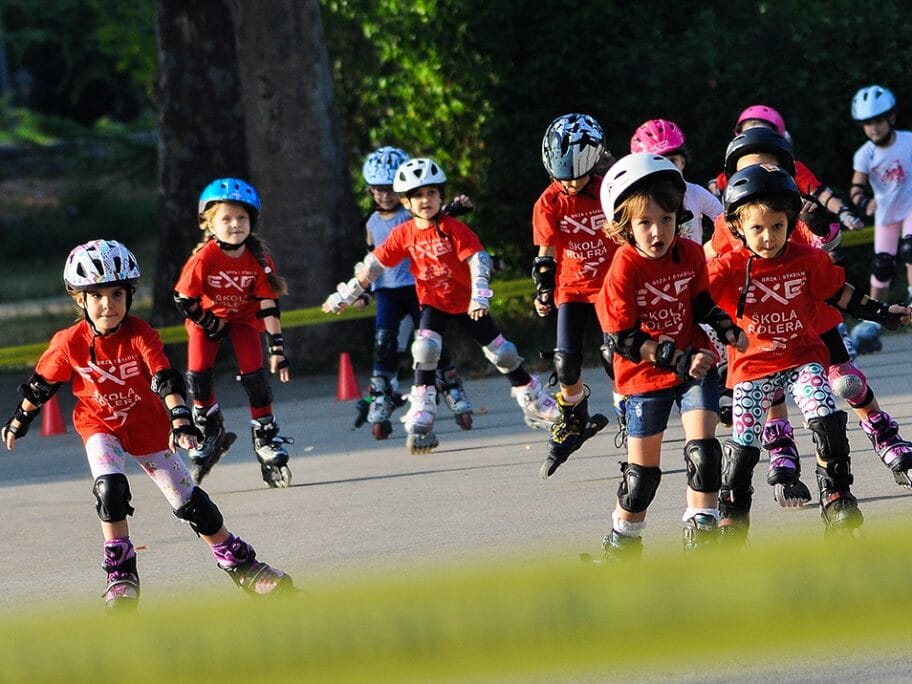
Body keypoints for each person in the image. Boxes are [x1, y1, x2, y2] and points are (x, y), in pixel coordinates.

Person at [1, 240, 295, 610]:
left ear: (129, 296)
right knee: (110, 489)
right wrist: (20, 419)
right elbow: (42, 384)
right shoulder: (69, 343)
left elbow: (164, 378)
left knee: (189, 503)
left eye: (117, 294)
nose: (108, 305)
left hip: (148, 427)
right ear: (80, 300)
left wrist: (180, 418)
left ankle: (241, 563)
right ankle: (120, 574)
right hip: (99, 424)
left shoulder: (140, 334)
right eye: (97, 296)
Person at [708, 164, 910, 541]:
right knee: (745, 445)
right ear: (738, 227)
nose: (768, 237)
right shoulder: (728, 268)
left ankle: (837, 497)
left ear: (789, 223)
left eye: (777, 227)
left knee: (826, 420)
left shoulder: (805, 259)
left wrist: (883, 313)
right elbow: (695, 301)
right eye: (757, 228)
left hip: (802, 358)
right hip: (752, 367)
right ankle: (731, 519)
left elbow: (842, 294)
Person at [323, 157, 559, 454]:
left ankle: (533, 399)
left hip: (466, 301)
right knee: (425, 348)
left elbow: (478, 260)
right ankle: (422, 410)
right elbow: (373, 266)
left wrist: (480, 295)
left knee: (504, 353)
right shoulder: (404, 233)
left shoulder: (452, 228)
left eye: (432, 193)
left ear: (441, 197)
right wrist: (346, 295)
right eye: (418, 195)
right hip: (433, 302)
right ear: (406, 202)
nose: (426, 200)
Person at [590, 153, 747, 562]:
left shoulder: (691, 254)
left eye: (666, 219)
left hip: (693, 362)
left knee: (705, 451)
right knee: (641, 477)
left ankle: (702, 527)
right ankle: (622, 542)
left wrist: (728, 328)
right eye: (645, 222)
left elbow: (700, 303)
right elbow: (623, 339)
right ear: (625, 225)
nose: (657, 232)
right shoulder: (622, 271)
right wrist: (676, 359)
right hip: (643, 376)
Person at [173, 178, 293, 488]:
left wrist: (277, 349)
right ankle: (209, 428)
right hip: (207, 318)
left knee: (255, 378)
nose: (235, 224)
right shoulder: (204, 258)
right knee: (197, 376)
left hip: (243, 319)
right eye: (226, 218)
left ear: (252, 221)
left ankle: (265, 435)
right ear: (209, 223)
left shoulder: (259, 260)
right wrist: (211, 324)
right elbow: (183, 299)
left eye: (242, 218)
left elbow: (269, 305)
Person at [355, 146, 475, 438]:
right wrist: (366, 291)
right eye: (377, 190)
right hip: (387, 292)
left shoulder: (409, 216)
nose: (384, 196)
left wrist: (454, 209)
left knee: (429, 343)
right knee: (384, 342)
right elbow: (375, 259)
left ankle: (451, 386)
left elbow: (431, 220)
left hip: (417, 287)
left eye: (388, 189)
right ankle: (382, 394)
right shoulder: (371, 223)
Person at [533, 113, 613, 479]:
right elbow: (546, 255)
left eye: (575, 176)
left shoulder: (608, 190)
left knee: (616, 356)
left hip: (612, 286)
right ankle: (574, 416)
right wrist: (544, 290)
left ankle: (630, 413)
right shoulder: (549, 202)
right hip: (573, 288)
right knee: (565, 362)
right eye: (559, 177)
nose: (567, 184)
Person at [708, 105, 864, 253]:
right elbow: (710, 256)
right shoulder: (727, 222)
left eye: (765, 166)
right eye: (748, 169)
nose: (757, 176)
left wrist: (823, 224)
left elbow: (825, 239)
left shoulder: (796, 212)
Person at [848, 85, 912, 353]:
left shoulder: (908, 141)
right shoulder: (864, 154)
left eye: (877, 121)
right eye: (867, 123)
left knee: (911, 249)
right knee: (881, 265)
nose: (873, 128)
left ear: (891, 118)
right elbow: (856, 188)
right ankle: (873, 320)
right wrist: (864, 202)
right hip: (886, 212)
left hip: (910, 206)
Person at [630, 118, 722, 244]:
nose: (666, 166)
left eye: (672, 160)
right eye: (657, 161)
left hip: (693, 262)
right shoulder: (637, 202)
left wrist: (713, 249)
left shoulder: (696, 194)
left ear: (683, 162)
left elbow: (727, 222)